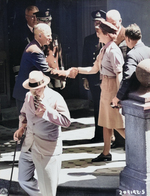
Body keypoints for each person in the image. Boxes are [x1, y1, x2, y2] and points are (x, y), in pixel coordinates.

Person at [70, 19, 125, 162]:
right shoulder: (104, 48)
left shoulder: (113, 50)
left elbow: (119, 74)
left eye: (99, 32)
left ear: (106, 34)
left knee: (118, 124)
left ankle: (142, 149)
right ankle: (106, 153)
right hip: (105, 86)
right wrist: (77, 70)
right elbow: (94, 69)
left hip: (112, 88)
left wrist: (118, 97)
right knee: (106, 122)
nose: (97, 35)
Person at [13, 70, 71, 196]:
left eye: (38, 88)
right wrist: (21, 128)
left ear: (44, 85)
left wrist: (47, 113)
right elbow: (23, 115)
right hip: (29, 144)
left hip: (47, 148)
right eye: (32, 88)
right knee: (23, 179)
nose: (35, 91)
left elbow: (66, 121)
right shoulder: (28, 96)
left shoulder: (55, 97)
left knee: (49, 189)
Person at [12, 23, 69, 114]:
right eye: (48, 35)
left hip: (30, 92)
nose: (50, 38)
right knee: (27, 124)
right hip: (26, 93)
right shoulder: (35, 51)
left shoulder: (36, 47)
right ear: (39, 35)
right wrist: (65, 74)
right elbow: (46, 70)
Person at [81, 10, 106, 143]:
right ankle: (99, 134)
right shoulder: (89, 39)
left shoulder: (109, 38)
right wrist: (85, 77)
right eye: (95, 23)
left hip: (107, 78)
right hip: (94, 78)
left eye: (99, 22)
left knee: (108, 107)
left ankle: (110, 135)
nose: (97, 25)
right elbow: (85, 59)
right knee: (97, 105)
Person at [105, 9, 129, 148]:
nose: (112, 26)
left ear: (120, 21)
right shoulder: (107, 34)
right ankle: (117, 142)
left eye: (114, 23)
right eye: (109, 23)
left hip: (122, 78)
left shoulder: (126, 35)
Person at [112, 23, 150, 106]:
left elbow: (128, 77)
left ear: (128, 39)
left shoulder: (132, 54)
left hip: (136, 97)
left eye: (126, 40)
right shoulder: (148, 50)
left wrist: (118, 97)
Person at [35, 8, 66, 91]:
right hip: (43, 76)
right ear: (38, 21)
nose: (47, 23)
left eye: (49, 21)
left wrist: (63, 75)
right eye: (44, 21)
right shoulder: (34, 39)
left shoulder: (55, 37)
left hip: (55, 75)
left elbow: (59, 58)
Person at [12, 5, 39, 77]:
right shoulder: (20, 34)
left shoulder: (43, 31)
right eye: (32, 16)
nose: (35, 19)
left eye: (37, 16)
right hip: (27, 72)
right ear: (26, 17)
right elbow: (16, 54)